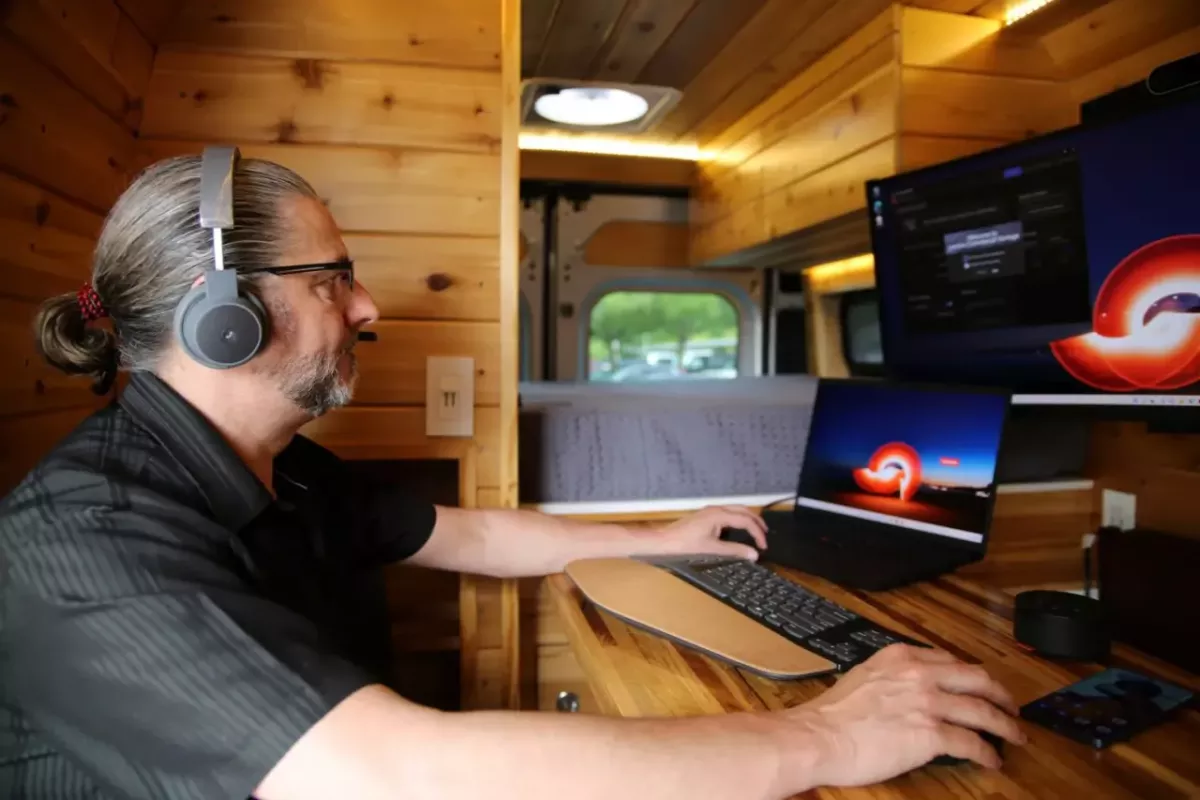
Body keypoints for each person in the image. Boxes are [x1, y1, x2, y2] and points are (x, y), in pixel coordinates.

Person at [0, 151, 1026, 800]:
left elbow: (472, 535)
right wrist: (822, 732)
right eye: (334, 278)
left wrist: (660, 533)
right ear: (218, 310)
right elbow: (390, 770)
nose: (365, 310)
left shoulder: (283, 470)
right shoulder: (78, 542)